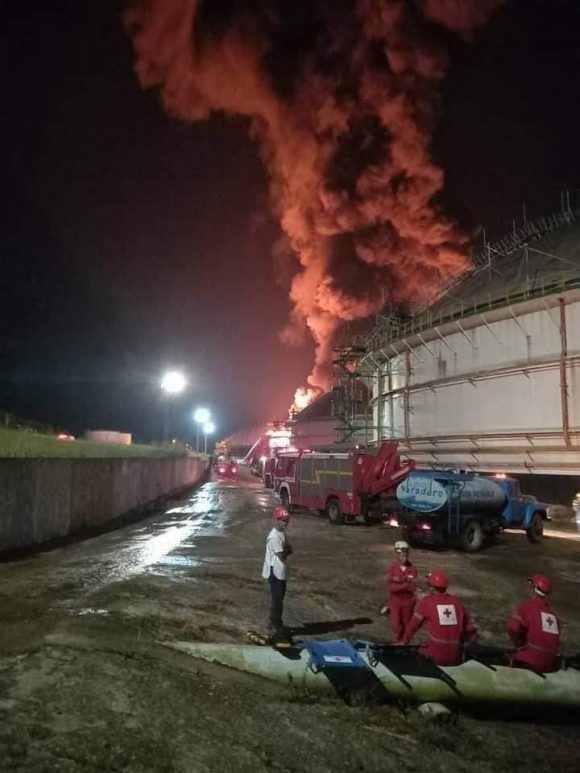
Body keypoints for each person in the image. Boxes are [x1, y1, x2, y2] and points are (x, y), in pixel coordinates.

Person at [400, 569, 477, 666]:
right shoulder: (457, 603)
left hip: (435, 657)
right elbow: (470, 631)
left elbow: (413, 626)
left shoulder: (426, 602)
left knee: (417, 650)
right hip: (456, 658)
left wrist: (403, 644)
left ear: (431, 587)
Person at [507, 574, 560, 673]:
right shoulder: (553, 614)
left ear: (533, 589)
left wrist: (518, 644)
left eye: (530, 585)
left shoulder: (526, 607)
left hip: (530, 662)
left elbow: (512, 628)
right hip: (550, 664)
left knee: (506, 655)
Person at [262, 506, 293, 638]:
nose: (284, 522)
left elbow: (289, 550)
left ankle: (276, 624)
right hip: (274, 571)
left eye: (286, 520)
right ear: (276, 520)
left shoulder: (282, 533)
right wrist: (287, 550)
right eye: (281, 520)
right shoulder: (274, 537)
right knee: (277, 600)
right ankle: (274, 626)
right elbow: (282, 554)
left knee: (279, 599)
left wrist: (287, 550)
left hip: (280, 571)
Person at [382, 540, 417, 643]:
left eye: (405, 555)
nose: (404, 557)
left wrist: (399, 583)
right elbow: (390, 587)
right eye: (401, 555)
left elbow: (412, 587)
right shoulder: (392, 568)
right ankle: (396, 643)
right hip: (395, 601)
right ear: (397, 555)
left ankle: (404, 644)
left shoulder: (413, 569)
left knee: (407, 624)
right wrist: (404, 583)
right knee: (395, 624)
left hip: (408, 602)